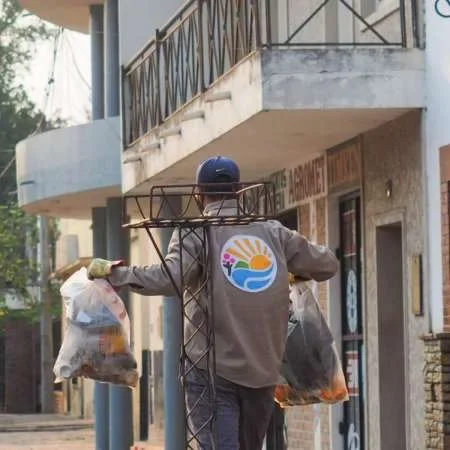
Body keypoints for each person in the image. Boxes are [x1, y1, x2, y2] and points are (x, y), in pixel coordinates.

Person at [88, 156, 339, 450]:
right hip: (264, 370)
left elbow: (168, 278)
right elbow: (328, 265)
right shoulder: (273, 232)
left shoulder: (195, 234)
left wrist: (116, 273)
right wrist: (289, 266)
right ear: (237, 190)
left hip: (211, 371)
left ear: (199, 194)